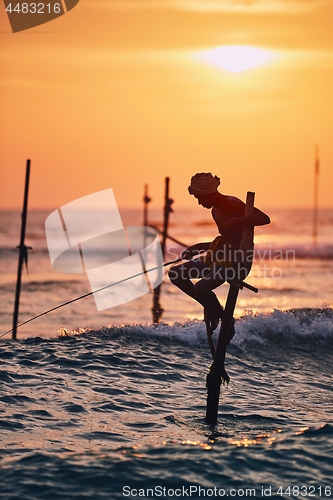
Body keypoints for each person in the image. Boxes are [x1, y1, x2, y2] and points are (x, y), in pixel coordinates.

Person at [169, 172, 270, 337]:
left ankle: (225, 318)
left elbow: (264, 218)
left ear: (209, 193)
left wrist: (236, 220)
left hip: (237, 261)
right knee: (175, 273)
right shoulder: (215, 211)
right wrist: (198, 247)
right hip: (218, 256)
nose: (199, 202)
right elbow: (226, 240)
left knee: (200, 288)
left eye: (200, 197)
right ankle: (215, 311)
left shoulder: (232, 203)